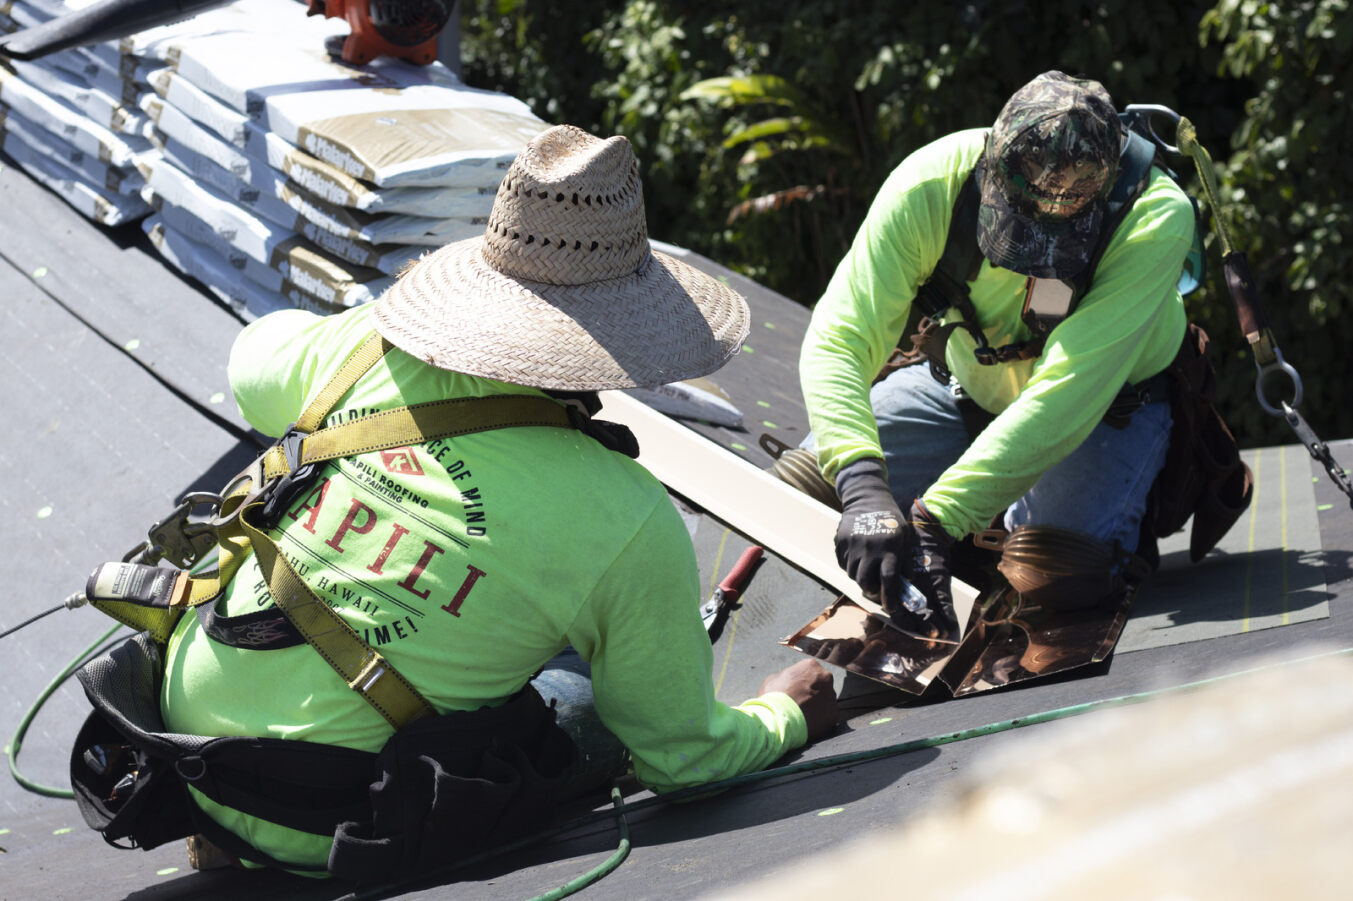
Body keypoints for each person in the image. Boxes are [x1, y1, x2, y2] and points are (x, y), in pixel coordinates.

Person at [153, 124, 837, 875]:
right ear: (626, 329)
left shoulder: (359, 353)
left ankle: (220, 829)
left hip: (181, 738)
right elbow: (682, 760)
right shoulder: (624, 516)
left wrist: (369, 327)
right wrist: (782, 713)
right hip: (323, 814)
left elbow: (252, 360)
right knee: (584, 696)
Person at [799, 71, 1193, 641]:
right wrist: (862, 487)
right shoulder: (930, 185)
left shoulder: (1153, 218)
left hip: (1102, 412)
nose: (1030, 259)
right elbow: (840, 337)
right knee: (814, 483)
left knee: (1052, 574)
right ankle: (969, 514)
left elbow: (1068, 392)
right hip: (964, 387)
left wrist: (936, 523)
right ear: (990, 165)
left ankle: (1116, 512)